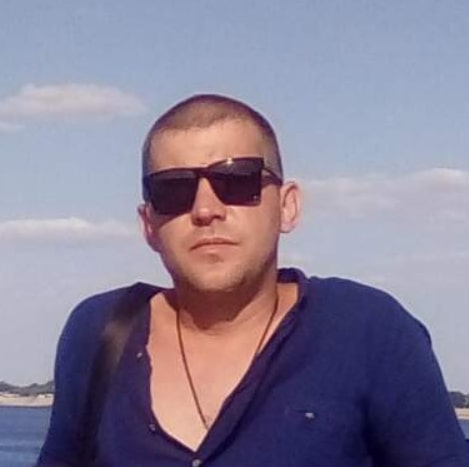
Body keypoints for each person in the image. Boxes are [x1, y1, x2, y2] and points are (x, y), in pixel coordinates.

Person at [38, 94, 469, 466]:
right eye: (174, 190)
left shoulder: (366, 329)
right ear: (149, 225)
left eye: (236, 181)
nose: (206, 209)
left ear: (287, 207)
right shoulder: (100, 331)